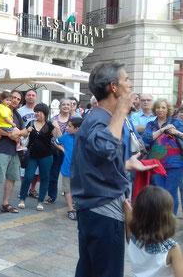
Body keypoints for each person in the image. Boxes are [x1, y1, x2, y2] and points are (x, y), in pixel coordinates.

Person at [71, 62, 157, 277]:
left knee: (89, 269)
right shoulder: (101, 119)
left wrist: (126, 164)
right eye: (126, 79)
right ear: (114, 87)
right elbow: (106, 148)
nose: (130, 84)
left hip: (96, 207)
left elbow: (95, 160)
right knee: (106, 271)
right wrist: (121, 110)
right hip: (102, 209)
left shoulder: (99, 118)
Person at [125, 186, 183, 277]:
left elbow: (129, 218)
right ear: (166, 219)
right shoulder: (172, 248)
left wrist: (127, 207)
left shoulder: (132, 238)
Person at [142, 98, 183, 214]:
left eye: (163, 107)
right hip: (156, 164)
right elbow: (146, 139)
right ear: (154, 109)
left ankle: (170, 220)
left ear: (168, 109)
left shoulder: (176, 122)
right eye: (158, 107)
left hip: (175, 164)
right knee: (159, 192)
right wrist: (163, 130)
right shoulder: (151, 124)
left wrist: (176, 132)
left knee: (170, 192)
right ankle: (160, 219)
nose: (160, 110)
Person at [17, 103, 61, 211]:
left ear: (45, 113)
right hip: (32, 155)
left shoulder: (50, 125)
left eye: (39, 112)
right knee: (28, 177)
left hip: (46, 156)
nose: (37, 114)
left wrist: (57, 126)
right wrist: (27, 131)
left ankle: (40, 201)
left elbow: (58, 137)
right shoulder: (31, 123)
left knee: (45, 178)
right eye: (35, 111)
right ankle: (22, 198)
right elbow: (23, 136)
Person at [54, 116, 82, 220]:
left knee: (78, 189)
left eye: (69, 126)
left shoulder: (84, 138)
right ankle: (70, 209)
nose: (67, 128)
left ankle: (77, 206)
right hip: (67, 169)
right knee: (67, 189)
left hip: (80, 170)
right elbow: (56, 141)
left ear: (77, 128)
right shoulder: (66, 137)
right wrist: (63, 149)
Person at [46, 98, 72, 204]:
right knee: (53, 174)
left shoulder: (73, 120)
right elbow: (52, 137)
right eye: (63, 104)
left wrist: (58, 131)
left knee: (70, 176)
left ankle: (71, 198)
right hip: (55, 150)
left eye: (68, 105)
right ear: (60, 106)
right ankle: (52, 196)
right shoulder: (53, 119)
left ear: (70, 107)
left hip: (69, 151)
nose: (66, 106)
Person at [17, 89, 40, 198]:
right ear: (25, 97)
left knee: (36, 169)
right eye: (28, 95)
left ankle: (32, 189)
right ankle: (23, 188)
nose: (31, 97)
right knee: (23, 167)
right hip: (24, 143)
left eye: (33, 95)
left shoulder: (40, 110)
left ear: (36, 97)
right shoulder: (20, 111)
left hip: (37, 143)